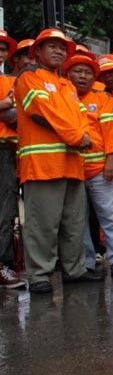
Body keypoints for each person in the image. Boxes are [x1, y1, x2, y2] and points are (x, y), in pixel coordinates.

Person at [13, 28, 102, 294]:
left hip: (71, 164)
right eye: (51, 46)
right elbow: (42, 113)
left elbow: (81, 116)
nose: (58, 51)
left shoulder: (67, 85)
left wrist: (83, 136)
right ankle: (40, 275)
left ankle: (74, 271)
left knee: (73, 222)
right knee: (43, 223)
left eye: (62, 48)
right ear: (37, 52)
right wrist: (78, 136)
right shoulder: (29, 77)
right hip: (43, 164)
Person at [63, 54, 113, 276]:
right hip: (71, 168)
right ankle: (86, 263)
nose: (83, 76)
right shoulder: (63, 98)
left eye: (88, 72)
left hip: (101, 169)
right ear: (68, 74)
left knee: (111, 215)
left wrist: (111, 158)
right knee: (77, 220)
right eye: (78, 71)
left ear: (94, 78)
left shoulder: (102, 99)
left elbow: (111, 131)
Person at [0, 30, 24, 289]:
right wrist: (5, 103)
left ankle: (3, 265)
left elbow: (15, 115)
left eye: (3, 48)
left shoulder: (11, 82)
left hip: (5, 150)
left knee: (5, 210)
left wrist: (7, 105)